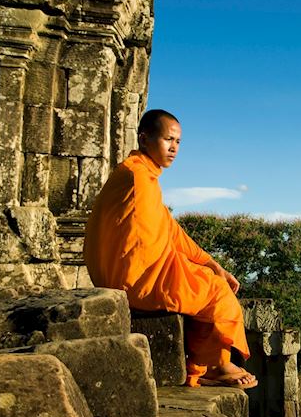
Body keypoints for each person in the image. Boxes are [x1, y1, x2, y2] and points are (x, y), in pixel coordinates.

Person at [83, 109, 256, 389]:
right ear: (145, 138)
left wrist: (212, 264)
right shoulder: (135, 176)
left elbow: (169, 230)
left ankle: (202, 364)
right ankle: (215, 367)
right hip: (135, 279)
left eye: (178, 141)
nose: (174, 147)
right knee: (217, 292)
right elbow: (150, 238)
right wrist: (207, 271)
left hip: (127, 272)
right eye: (167, 139)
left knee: (208, 279)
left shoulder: (141, 174)